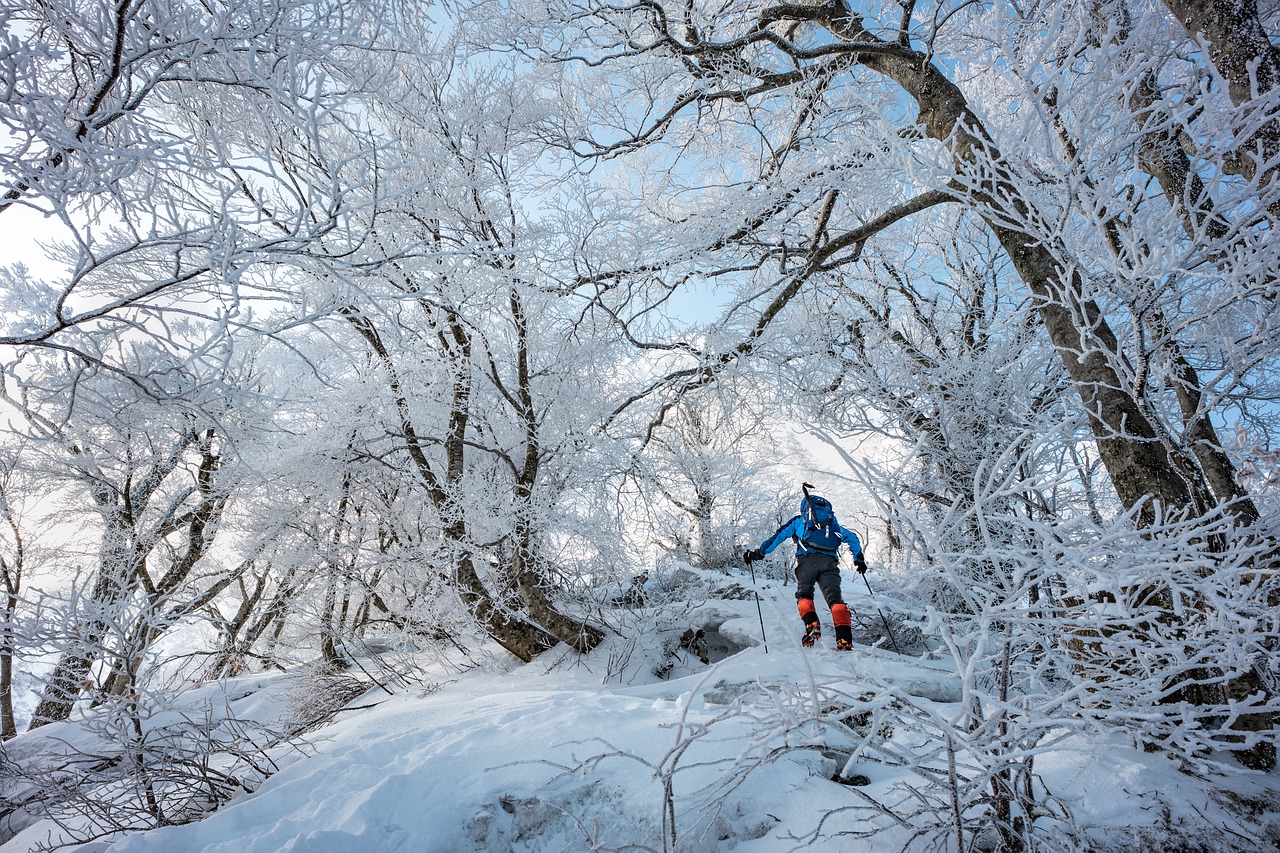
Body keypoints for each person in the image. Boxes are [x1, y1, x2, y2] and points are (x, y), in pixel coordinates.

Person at [743, 485, 867, 651]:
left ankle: (811, 623)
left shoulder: (799, 521)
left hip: (807, 561)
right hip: (830, 563)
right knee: (835, 600)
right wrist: (858, 559)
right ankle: (844, 639)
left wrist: (760, 553)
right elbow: (852, 537)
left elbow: (778, 537)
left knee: (804, 594)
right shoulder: (832, 524)